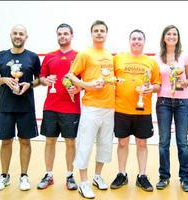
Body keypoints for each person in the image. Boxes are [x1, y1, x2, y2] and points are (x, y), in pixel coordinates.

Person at [67, 20, 114, 199]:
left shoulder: (110, 55)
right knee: (85, 145)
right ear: (91, 34)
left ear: (106, 34)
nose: (99, 33)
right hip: (91, 107)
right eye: (96, 31)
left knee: (105, 145)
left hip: (109, 107)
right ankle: (84, 182)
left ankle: (97, 177)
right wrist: (86, 85)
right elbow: (70, 75)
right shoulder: (85, 54)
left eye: (102, 30)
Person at [0, 24, 41, 191]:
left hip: (26, 107)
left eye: (21, 34)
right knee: (6, 142)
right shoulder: (1, 55)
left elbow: (40, 79)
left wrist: (30, 84)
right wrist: (4, 80)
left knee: (25, 141)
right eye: (15, 33)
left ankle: (24, 176)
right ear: (11, 35)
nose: (18, 36)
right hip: (5, 106)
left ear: (26, 37)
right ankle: (4, 176)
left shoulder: (33, 57)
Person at [110, 29, 161, 192]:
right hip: (121, 109)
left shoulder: (151, 62)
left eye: (139, 39)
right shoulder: (118, 58)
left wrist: (150, 88)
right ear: (129, 40)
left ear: (144, 41)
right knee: (122, 143)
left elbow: (157, 85)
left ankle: (142, 176)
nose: (136, 41)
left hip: (143, 110)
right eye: (134, 38)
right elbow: (110, 79)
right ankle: (122, 174)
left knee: (142, 143)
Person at [36, 23, 81, 190]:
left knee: (70, 142)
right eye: (60, 34)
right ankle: (49, 175)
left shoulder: (78, 56)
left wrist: (77, 88)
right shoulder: (49, 56)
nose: (63, 36)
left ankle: (70, 175)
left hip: (71, 107)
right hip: (51, 107)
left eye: (66, 34)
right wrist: (44, 81)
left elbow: (82, 81)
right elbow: (41, 77)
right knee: (50, 141)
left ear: (71, 35)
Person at [154, 25, 188, 192]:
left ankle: (185, 178)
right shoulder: (157, 57)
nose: (171, 36)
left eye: (174, 34)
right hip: (163, 102)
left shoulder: (185, 56)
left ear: (178, 37)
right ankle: (164, 176)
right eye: (168, 34)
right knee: (163, 142)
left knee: (182, 142)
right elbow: (155, 81)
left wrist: (185, 82)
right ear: (164, 37)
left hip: (182, 103)